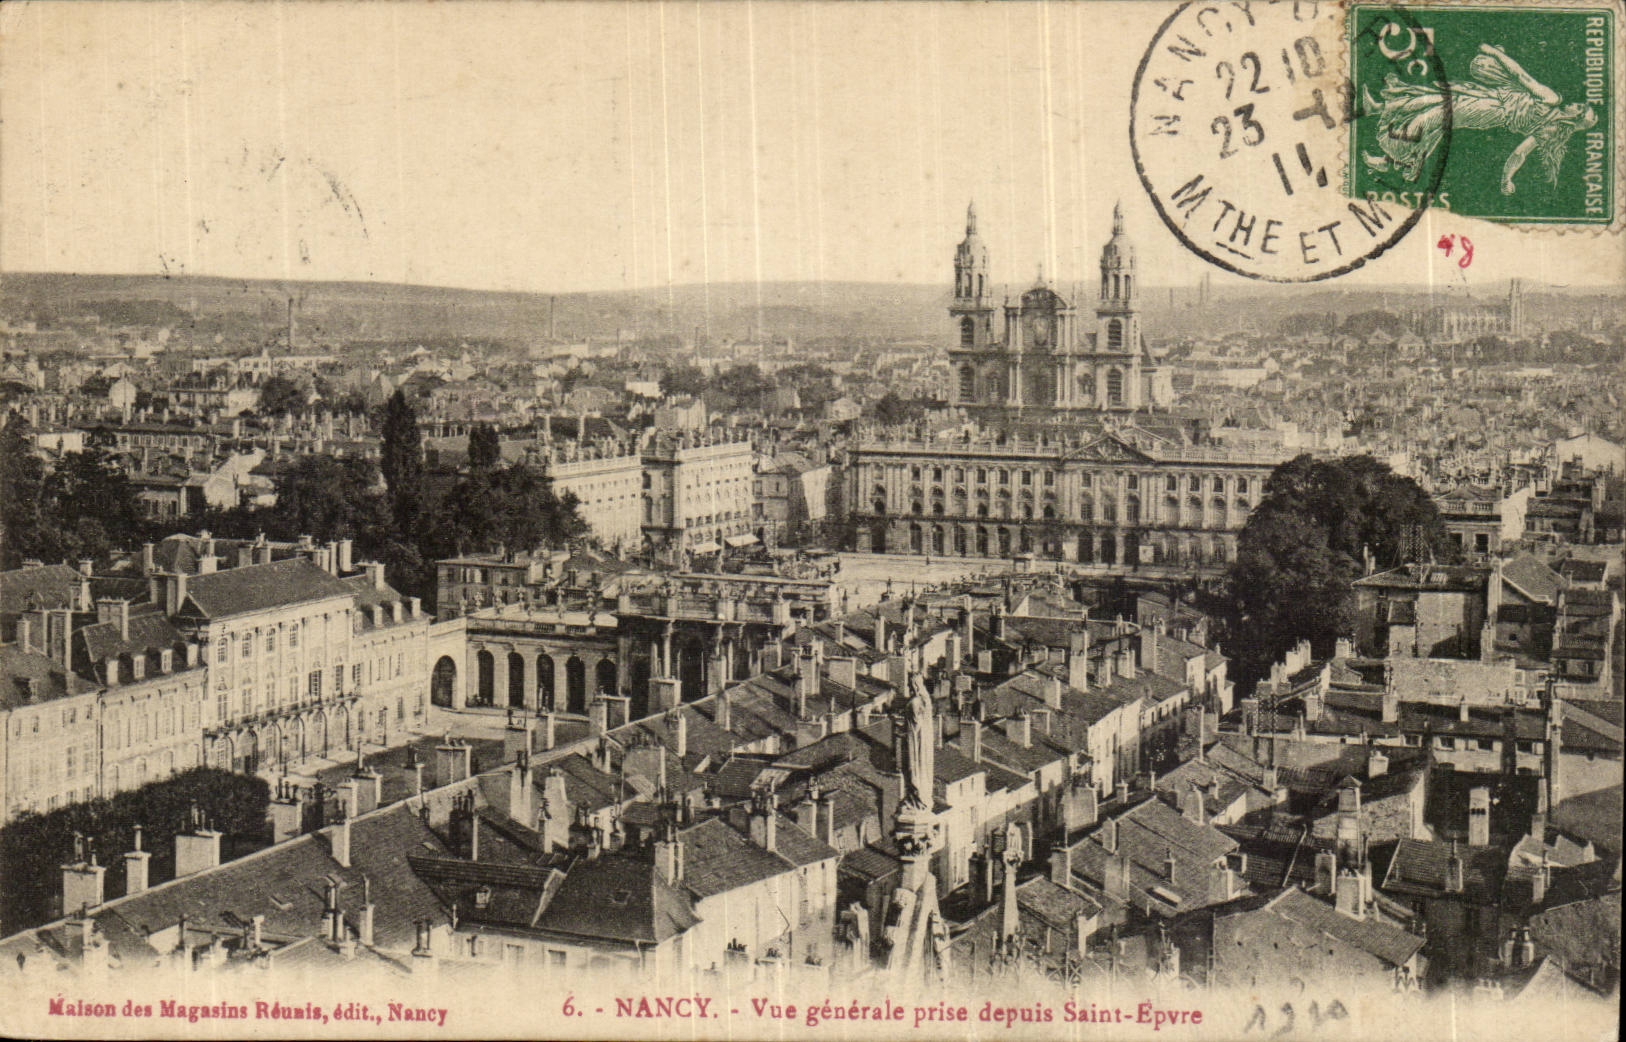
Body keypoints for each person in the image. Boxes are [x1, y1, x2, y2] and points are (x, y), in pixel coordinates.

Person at [1363, 43, 1597, 194]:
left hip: (1490, 107)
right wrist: (1507, 179)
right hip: (1489, 100)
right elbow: (1520, 153)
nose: (1576, 103)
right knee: (1436, 99)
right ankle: (1378, 110)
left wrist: (1494, 53)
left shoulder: (1552, 99)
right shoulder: (1550, 130)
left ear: (1575, 116)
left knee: (1435, 115)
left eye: (1579, 107)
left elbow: (1522, 76)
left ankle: (1391, 158)